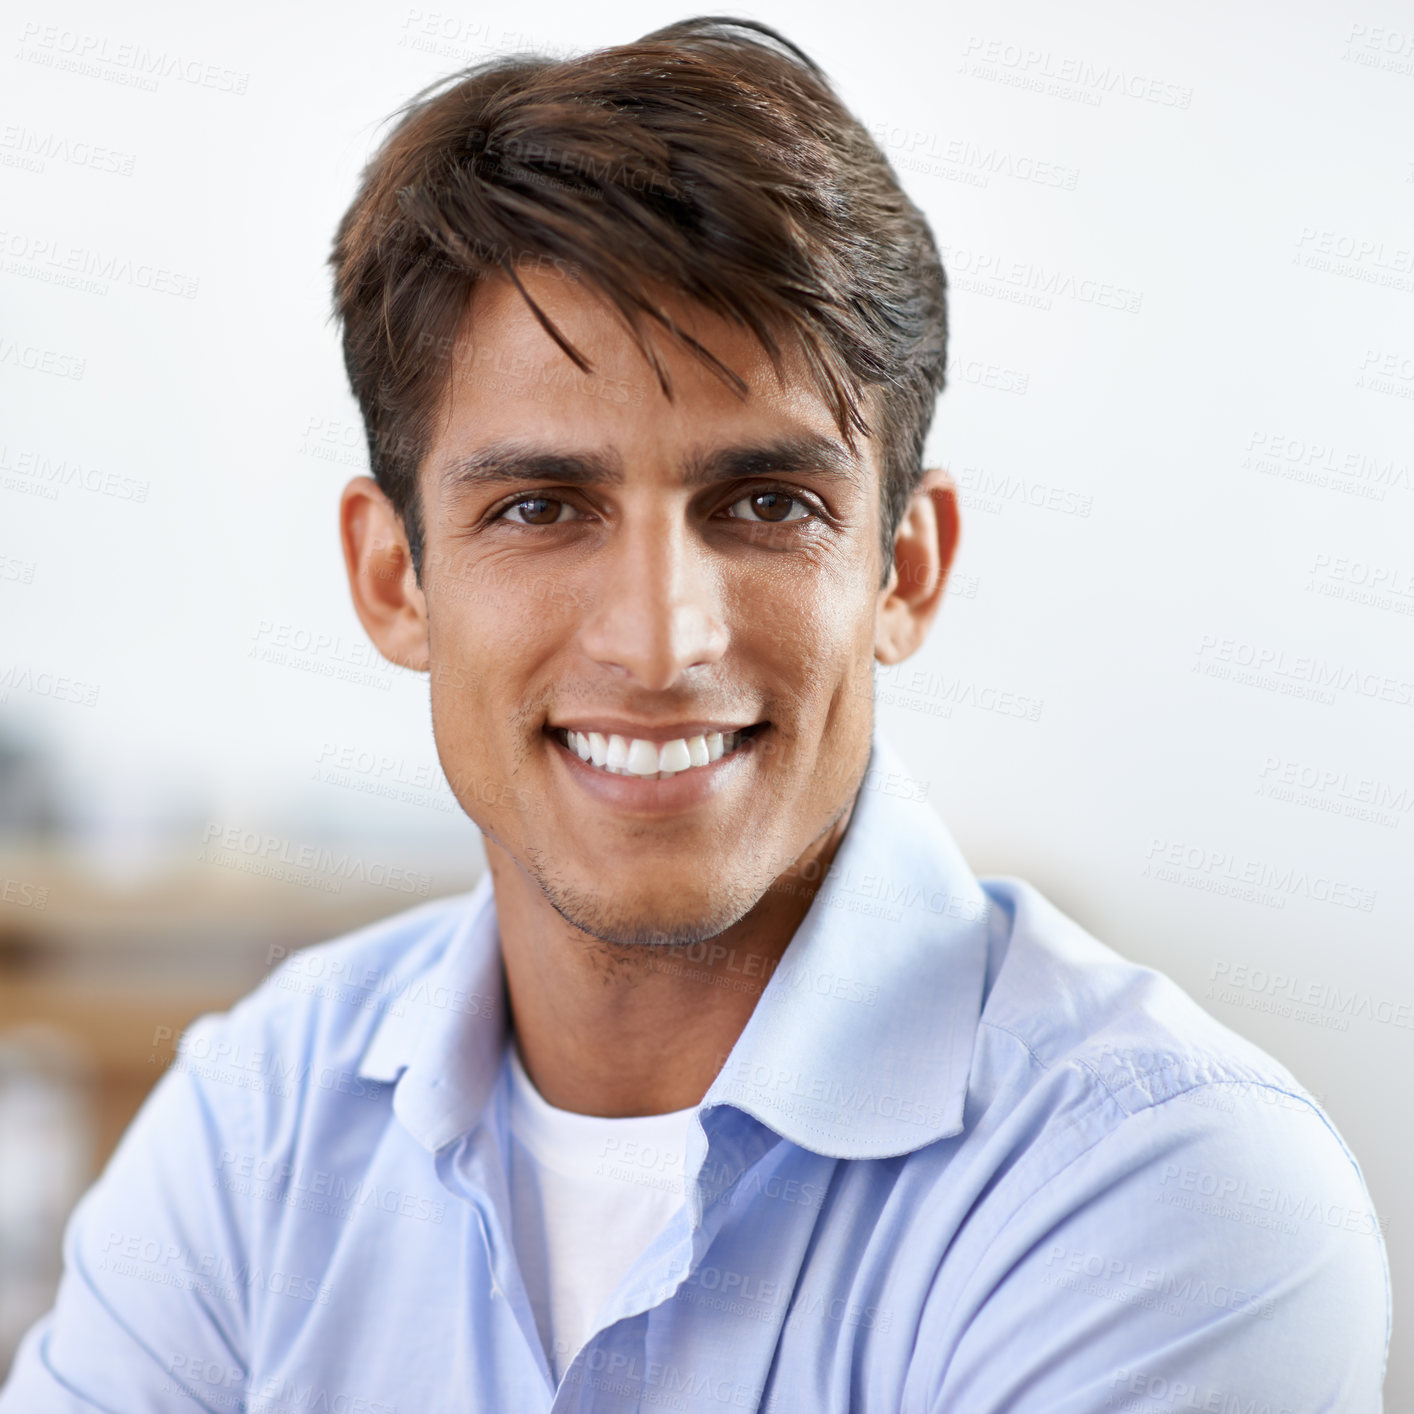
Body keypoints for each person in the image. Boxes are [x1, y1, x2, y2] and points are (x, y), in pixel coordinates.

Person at [1, 16, 1389, 1412]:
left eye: (766, 504)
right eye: (540, 507)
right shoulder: (257, 1126)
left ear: (903, 569)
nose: (659, 641)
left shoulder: (1164, 1189)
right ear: (392, 577)